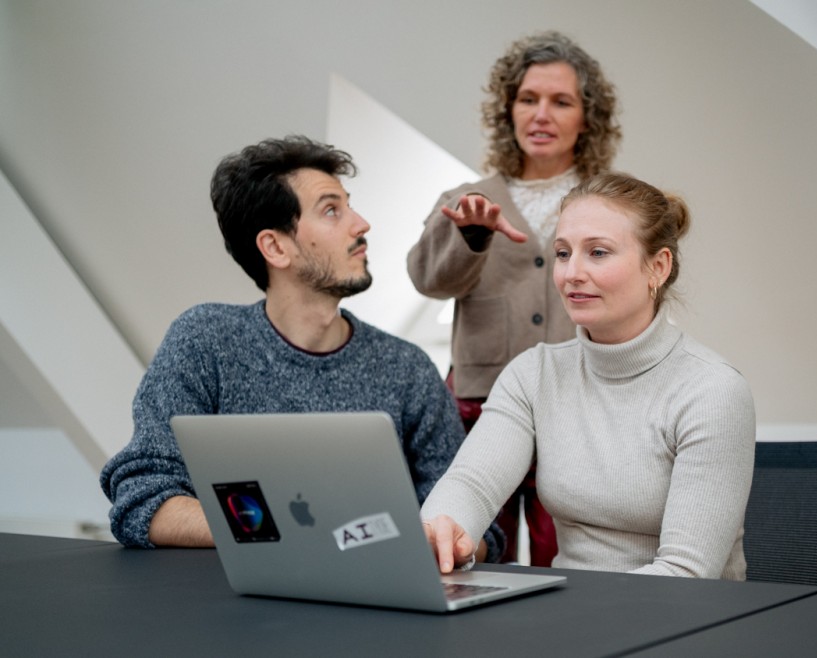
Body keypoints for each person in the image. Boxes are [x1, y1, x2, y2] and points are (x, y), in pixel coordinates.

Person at [99, 136, 502, 561]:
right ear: (275, 247)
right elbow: (144, 501)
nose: (361, 224)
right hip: (230, 598)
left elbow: (476, 527)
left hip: (377, 596)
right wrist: (296, 531)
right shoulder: (204, 341)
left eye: (349, 206)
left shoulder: (407, 368)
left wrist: (454, 540)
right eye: (331, 210)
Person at [420, 172, 756, 579]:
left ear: (658, 267)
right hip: (571, 606)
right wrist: (442, 530)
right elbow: (471, 483)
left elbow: (686, 573)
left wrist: (574, 610)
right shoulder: (534, 373)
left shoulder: (712, 390)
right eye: (563, 253)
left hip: (679, 611)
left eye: (598, 252)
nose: (571, 273)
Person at [407, 30, 621, 566]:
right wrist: (471, 237)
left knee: (569, 561)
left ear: (587, 118)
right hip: (479, 411)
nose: (541, 115)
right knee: (473, 554)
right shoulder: (464, 200)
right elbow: (428, 279)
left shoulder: (612, 204)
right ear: (508, 111)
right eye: (528, 99)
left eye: (561, 101)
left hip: (577, 409)